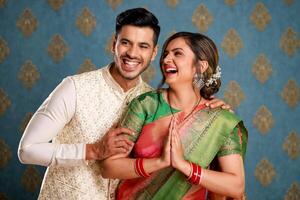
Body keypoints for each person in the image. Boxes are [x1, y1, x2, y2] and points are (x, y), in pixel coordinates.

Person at [17, 8, 230, 200]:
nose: (132, 53)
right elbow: (27, 150)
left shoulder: (153, 102)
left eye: (143, 46)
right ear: (114, 44)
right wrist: (92, 150)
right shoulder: (74, 88)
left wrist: (211, 110)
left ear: (154, 53)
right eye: (126, 42)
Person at [101, 32, 248, 200]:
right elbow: (109, 167)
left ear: (201, 66)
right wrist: (160, 162)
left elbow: (236, 187)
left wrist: (184, 166)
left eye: (177, 53)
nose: (165, 60)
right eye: (165, 54)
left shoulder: (219, 120)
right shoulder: (146, 105)